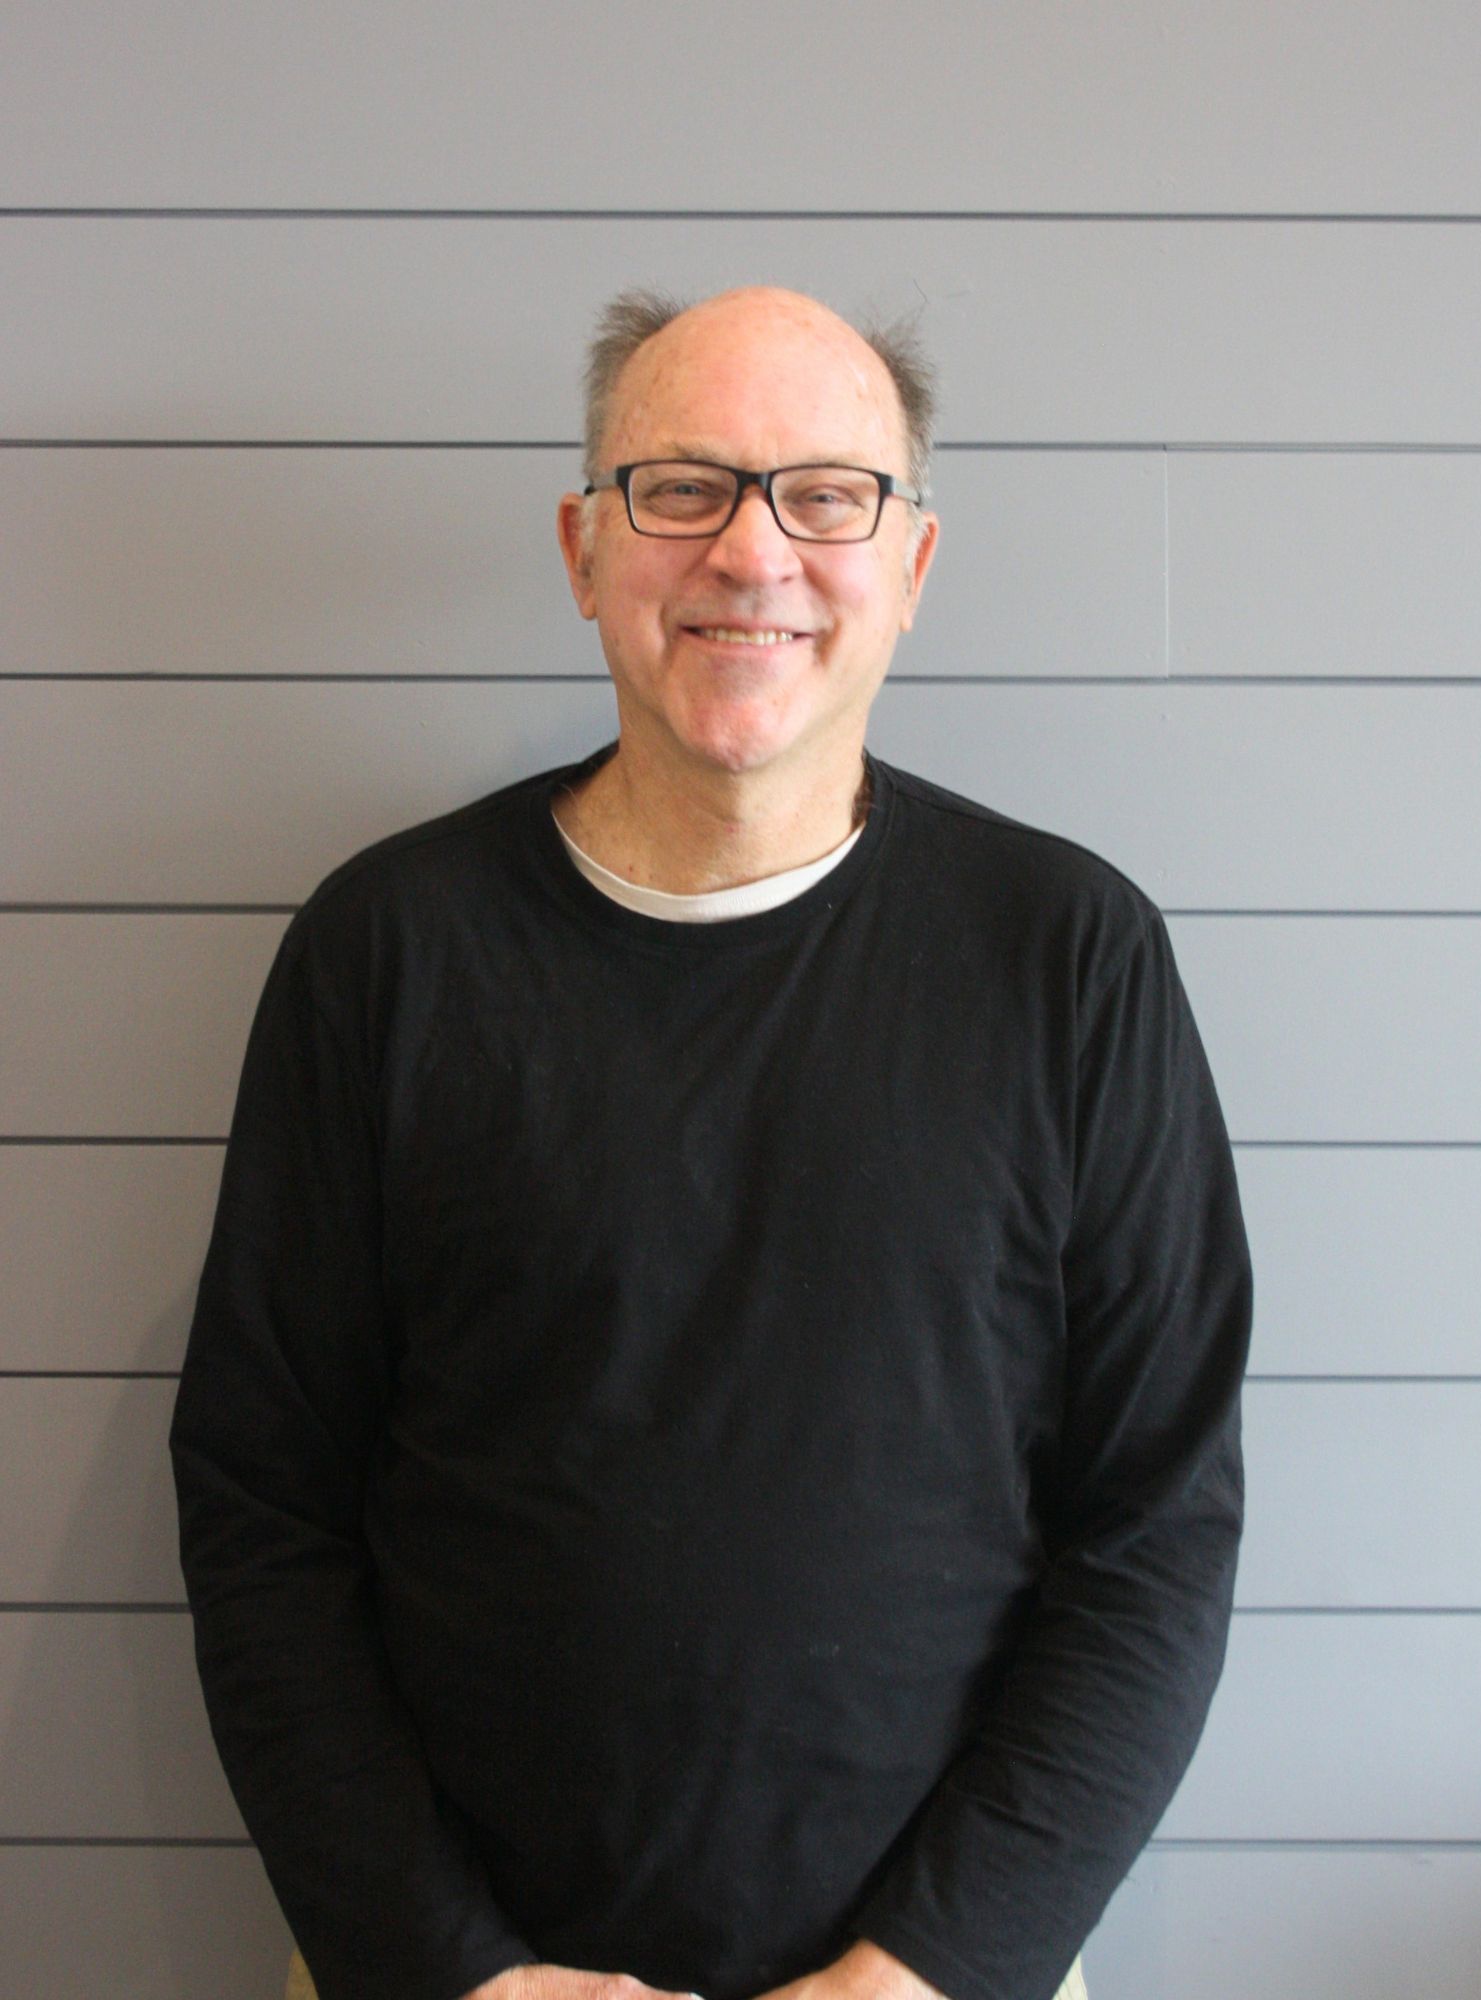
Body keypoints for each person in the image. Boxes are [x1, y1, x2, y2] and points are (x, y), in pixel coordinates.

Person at [171, 285, 1251, 2000]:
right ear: (583, 548)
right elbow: (262, 1512)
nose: (753, 554)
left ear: (911, 562)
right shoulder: (388, 951)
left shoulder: (1067, 958)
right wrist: (446, 1968)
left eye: (827, 494)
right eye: (681, 487)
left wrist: (932, 1969)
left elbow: (1156, 1529)